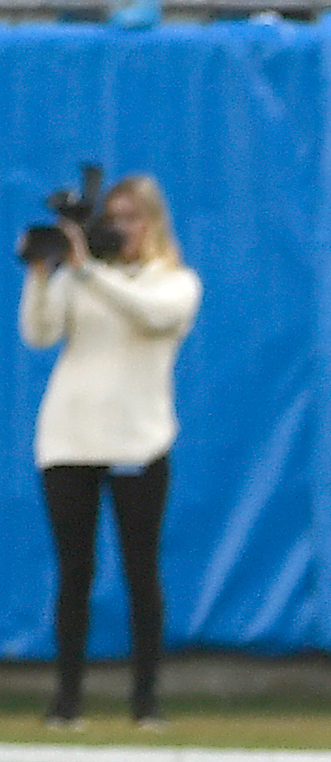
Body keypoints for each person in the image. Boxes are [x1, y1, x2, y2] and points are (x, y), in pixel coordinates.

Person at [18, 174, 202, 728]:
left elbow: (153, 316)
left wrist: (87, 269)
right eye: (112, 218)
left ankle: (145, 703)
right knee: (75, 573)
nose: (120, 228)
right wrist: (42, 273)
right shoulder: (81, 277)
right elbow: (39, 333)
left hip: (138, 440)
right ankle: (66, 704)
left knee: (140, 571)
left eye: (130, 217)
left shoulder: (174, 282)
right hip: (68, 439)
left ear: (152, 222)